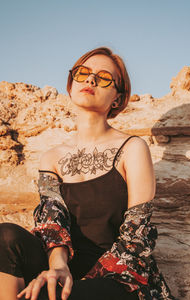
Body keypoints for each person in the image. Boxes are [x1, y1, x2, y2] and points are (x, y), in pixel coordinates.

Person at [0, 47, 175, 300]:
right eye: (83, 73)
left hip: (119, 278)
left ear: (117, 98)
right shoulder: (52, 157)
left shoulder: (132, 148)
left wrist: (78, 284)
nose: (90, 80)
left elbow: (136, 237)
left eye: (104, 77)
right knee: (5, 236)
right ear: (71, 85)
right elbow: (52, 224)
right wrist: (58, 267)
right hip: (65, 269)